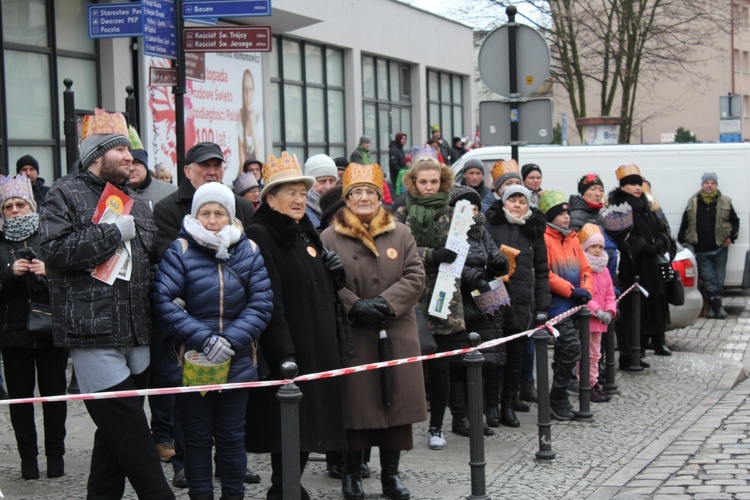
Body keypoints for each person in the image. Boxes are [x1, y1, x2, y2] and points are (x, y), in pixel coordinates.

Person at [38, 108, 174, 499]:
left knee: (113, 441)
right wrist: (110, 233)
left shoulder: (139, 203)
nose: (132, 158)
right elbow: (54, 251)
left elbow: (154, 262)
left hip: (139, 335)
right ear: (98, 154)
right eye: (123, 152)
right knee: (133, 434)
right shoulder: (62, 193)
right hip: (92, 336)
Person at [152, 182, 273, 500]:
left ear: (230, 216)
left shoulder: (248, 251)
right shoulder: (180, 250)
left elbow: (261, 303)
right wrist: (205, 340)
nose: (212, 218)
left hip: (238, 359)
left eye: (219, 212)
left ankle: (233, 495)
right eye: (205, 212)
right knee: (196, 437)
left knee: (233, 437)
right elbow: (163, 300)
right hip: (195, 358)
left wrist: (230, 340)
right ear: (195, 215)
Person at [321, 162, 427, 500]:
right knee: (357, 406)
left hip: (396, 328)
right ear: (347, 199)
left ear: (379, 196)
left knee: (396, 405)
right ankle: (351, 472)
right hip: (355, 333)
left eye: (369, 191)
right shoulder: (329, 236)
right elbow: (326, 282)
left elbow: (415, 275)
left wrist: (383, 304)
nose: (363, 197)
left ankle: (390, 475)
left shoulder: (401, 232)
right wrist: (355, 305)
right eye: (356, 193)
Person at [245, 151, 347, 500]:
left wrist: (336, 273)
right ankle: (283, 485)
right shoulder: (261, 234)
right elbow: (268, 298)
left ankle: (289, 484)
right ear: (270, 198)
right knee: (287, 419)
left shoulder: (305, 231)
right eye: (290, 192)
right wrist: (283, 350)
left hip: (317, 341)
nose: (300, 198)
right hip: (288, 345)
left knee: (310, 419)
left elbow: (322, 287)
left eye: (303, 193)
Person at [394, 148, 463, 450]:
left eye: (434, 182)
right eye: (423, 182)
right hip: (412, 294)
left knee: (441, 366)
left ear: (443, 181)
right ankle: (405, 424)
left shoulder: (458, 209)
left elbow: (470, 246)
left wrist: (455, 253)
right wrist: (429, 254)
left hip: (446, 295)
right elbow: (395, 252)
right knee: (411, 365)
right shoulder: (402, 211)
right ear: (413, 183)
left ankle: (437, 427)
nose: (429, 187)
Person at [0, 174, 67, 480]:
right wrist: (9, 272)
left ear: (32, 205)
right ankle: (28, 459)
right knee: (20, 401)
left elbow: (69, 280)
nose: (15, 210)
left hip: (51, 331)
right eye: (9, 206)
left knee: (55, 398)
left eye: (20, 204)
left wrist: (47, 271)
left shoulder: (49, 236)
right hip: (13, 335)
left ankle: (56, 456)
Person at [485, 185, 550, 426]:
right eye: (512, 200)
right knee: (492, 355)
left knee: (516, 357)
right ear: (503, 202)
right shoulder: (489, 225)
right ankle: (491, 405)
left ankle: (508, 406)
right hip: (494, 295)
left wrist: (542, 304)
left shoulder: (534, 230)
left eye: (522, 201)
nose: (517, 205)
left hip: (522, 300)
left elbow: (542, 270)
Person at [448, 186, 507, 433]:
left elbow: (494, 254)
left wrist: (498, 263)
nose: (472, 213)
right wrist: (475, 277)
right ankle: (461, 418)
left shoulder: (481, 232)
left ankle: (477, 415)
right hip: (459, 304)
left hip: (484, 303)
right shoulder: (449, 232)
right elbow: (450, 263)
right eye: (466, 208)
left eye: (474, 208)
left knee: (483, 362)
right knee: (460, 365)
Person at [609, 164, 673, 367]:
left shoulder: (645, 206)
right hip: (634, 268)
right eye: (632, 184)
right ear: (623, 187)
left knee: (647, 311)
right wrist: (643, 246)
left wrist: (660, 243)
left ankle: (638, 351)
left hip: (651, 267)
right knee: (629, 313)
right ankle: (628, 354)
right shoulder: (618, 207)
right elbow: (620, 239)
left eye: (639, 183)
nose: (637, 187)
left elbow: (661, 229)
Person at [538, 188, 592, 421]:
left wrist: (586, 290)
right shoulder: (545, 238)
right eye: (560, 214)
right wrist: (571, 290)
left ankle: (560, 396)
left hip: (575, 302)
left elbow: (586, 268)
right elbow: (546, 273)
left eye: (567, 213)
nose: (566, 217)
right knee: (570, 346)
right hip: (557, 304)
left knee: (568, 350)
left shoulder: (571, 238)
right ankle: (557, 394)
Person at [153, 142, 255, 258]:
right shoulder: (167, 209)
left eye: (217, 165)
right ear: (188, 171)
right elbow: (170, 259)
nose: (212, 172)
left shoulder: (243, 206)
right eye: (204, 165)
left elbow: (253, 254)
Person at [677, 172, 740, 319]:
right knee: (709, 280)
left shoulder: (725, 201)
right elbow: (685, 223)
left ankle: (713, 308)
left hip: (720, 248)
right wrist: (681, 243)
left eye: (712, 183)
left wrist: (731, 238)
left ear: (716, 185)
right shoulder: (693, 201)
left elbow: (735, 221)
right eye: (707, 183)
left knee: (718, 279)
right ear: (702, 185)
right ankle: (717, 307)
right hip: (701, 249)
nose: (709, 185)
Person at [578, 223, 615, 403]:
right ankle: (585, 382)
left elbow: (609, 292)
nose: (598, 250)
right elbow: (584, 293)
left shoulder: (604, 269)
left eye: (600, 247)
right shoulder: (583, 267)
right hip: (588, 318)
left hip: (601, 319)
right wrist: (597, 310)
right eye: (594, 246)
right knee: (585, 352)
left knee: (596, 353)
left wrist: (609, 309)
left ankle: (594, 381)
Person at [569, 173, 619, 282]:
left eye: (601, 190)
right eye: (592, 189)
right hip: (588, 278)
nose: (597, 194)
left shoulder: (599, 216)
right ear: (582, 193)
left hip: (605, 276)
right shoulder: (575, 217)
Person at [304, 154, 339, 229]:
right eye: (322, 181)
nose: (328, 187)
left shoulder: (343, 205)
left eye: (332, 181)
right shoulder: (301, 210)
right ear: (309, 182)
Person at [237, 69, 263, 165]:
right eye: (245, 90)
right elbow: (242, 162)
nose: (248, 95)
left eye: (250, 89)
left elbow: (261, 159)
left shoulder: (258, 119)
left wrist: (252, 125)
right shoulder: (240, 123)